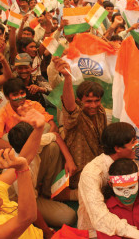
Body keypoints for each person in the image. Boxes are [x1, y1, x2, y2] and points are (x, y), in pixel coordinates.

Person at [78, 122, 139, 238]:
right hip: (100, 230)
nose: (137, 144)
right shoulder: (91, 173)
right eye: (133, 142)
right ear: (117, 148)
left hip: (128, 216)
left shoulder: (129, 163)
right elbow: (100, 218)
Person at [53, 57, 107, 192]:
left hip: (98, 167)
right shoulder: (76, 114)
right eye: (88, 101)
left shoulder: (101, 111)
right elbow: (69, 105)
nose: (93, 105)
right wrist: (67, 77)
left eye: (96, 100)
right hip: (79, 171)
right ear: (79, 101)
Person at [0, 78, 58, 150]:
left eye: (22, 93)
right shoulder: (1, 114)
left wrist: (42, 143)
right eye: (15, 94)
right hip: (18, 150)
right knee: (5, 138)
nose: (20, 97)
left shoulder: (34, 105)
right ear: (7, 97)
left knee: (48, 132)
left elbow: (53, 126)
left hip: (39, 145)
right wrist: (23, 150)